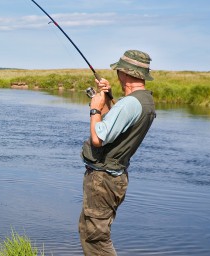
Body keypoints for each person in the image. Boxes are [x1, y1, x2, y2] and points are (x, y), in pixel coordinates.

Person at [78, 50, 156, 255]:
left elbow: (98, 138)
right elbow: (114, 125)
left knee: (96, 239)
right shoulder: (143, 100)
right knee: (90, 232)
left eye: (119, 70)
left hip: (103, 180)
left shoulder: (130, 103)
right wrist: (107, 97)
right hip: (112, 178)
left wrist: (95, 108)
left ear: (125, 73)